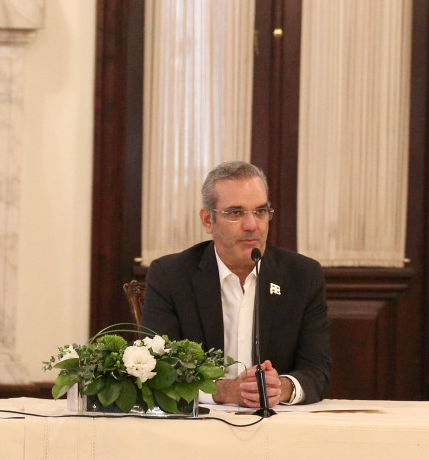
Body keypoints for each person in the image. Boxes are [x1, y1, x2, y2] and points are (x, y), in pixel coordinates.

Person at [140, 161, 331, 408]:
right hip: (199, 423)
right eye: (235, 213)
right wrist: (225, 391)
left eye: (260, 211)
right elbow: (159, 370)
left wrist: (282, 387)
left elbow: (317, 370)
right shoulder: (171, 276)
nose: (252, 225)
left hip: (278, 421)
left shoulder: (302, 276)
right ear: (208, 220)